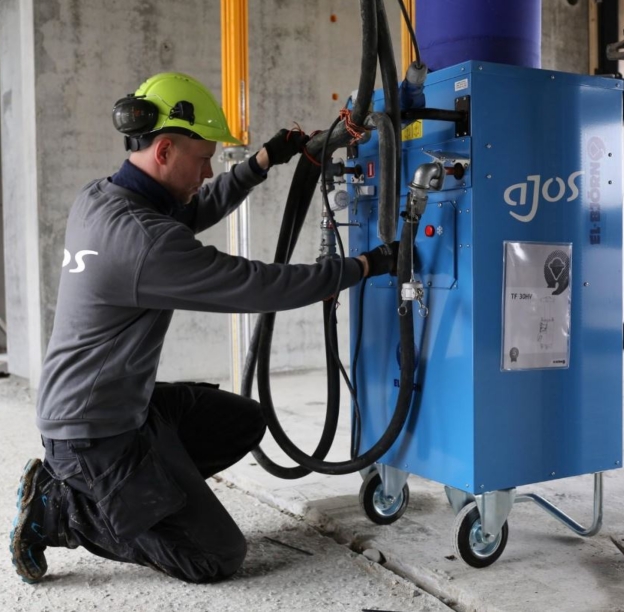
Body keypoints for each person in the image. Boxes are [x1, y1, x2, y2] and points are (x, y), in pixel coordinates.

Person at [10, 72, 399, 584]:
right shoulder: (144, 241)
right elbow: (259, 285)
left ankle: (146, 494)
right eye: (202, 159)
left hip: (119, 408)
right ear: (165, 150)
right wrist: (363, 266)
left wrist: (262, 162)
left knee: (241, 422)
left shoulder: (102, 198)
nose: (208, 170)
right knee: (214, 556)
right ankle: (62, 507)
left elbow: (190, 210)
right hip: (92, 438)